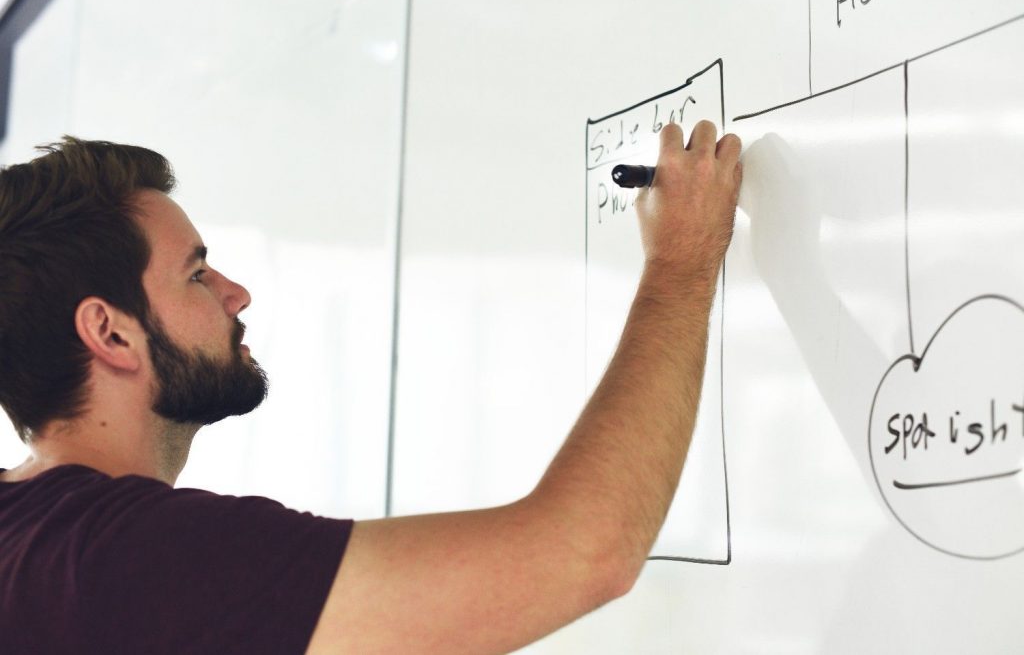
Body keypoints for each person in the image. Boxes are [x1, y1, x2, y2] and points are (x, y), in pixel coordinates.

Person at [0, 120, 741, 654]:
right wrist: (681, 263)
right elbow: (584, 552)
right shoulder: (135, 556)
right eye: (196, 273)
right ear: (111, 333)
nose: (236, 293)